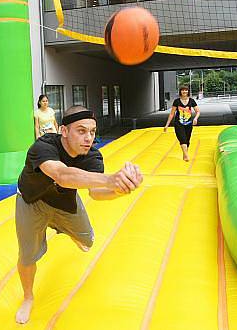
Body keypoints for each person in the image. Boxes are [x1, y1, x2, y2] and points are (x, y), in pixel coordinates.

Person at [15, 105, 143, 324]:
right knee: (27, 255)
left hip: (65, 201)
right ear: (64, 131)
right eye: (81, 131)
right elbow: (62, 175)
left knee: (88, 242)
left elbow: (96, 193)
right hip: (32, 201)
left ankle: (68, 230)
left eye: (92, 132)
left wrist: (120, 190)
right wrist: (111, 179)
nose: (89, 138)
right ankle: (28, 297)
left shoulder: (92, 155)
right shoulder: (43, 146)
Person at [163, 86, 200, 162]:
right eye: (183, 90)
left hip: (189, 124)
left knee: (187, 140)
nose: (184, 92)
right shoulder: (177, 101)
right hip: (178, 123)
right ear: (180, 92)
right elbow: (171, 114)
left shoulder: (191, 101)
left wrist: (195, 118)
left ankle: (184, 154)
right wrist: (167, 125)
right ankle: (186, 156)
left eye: (186, 90)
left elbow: (198, 111)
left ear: (188, 92)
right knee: (182, 139)